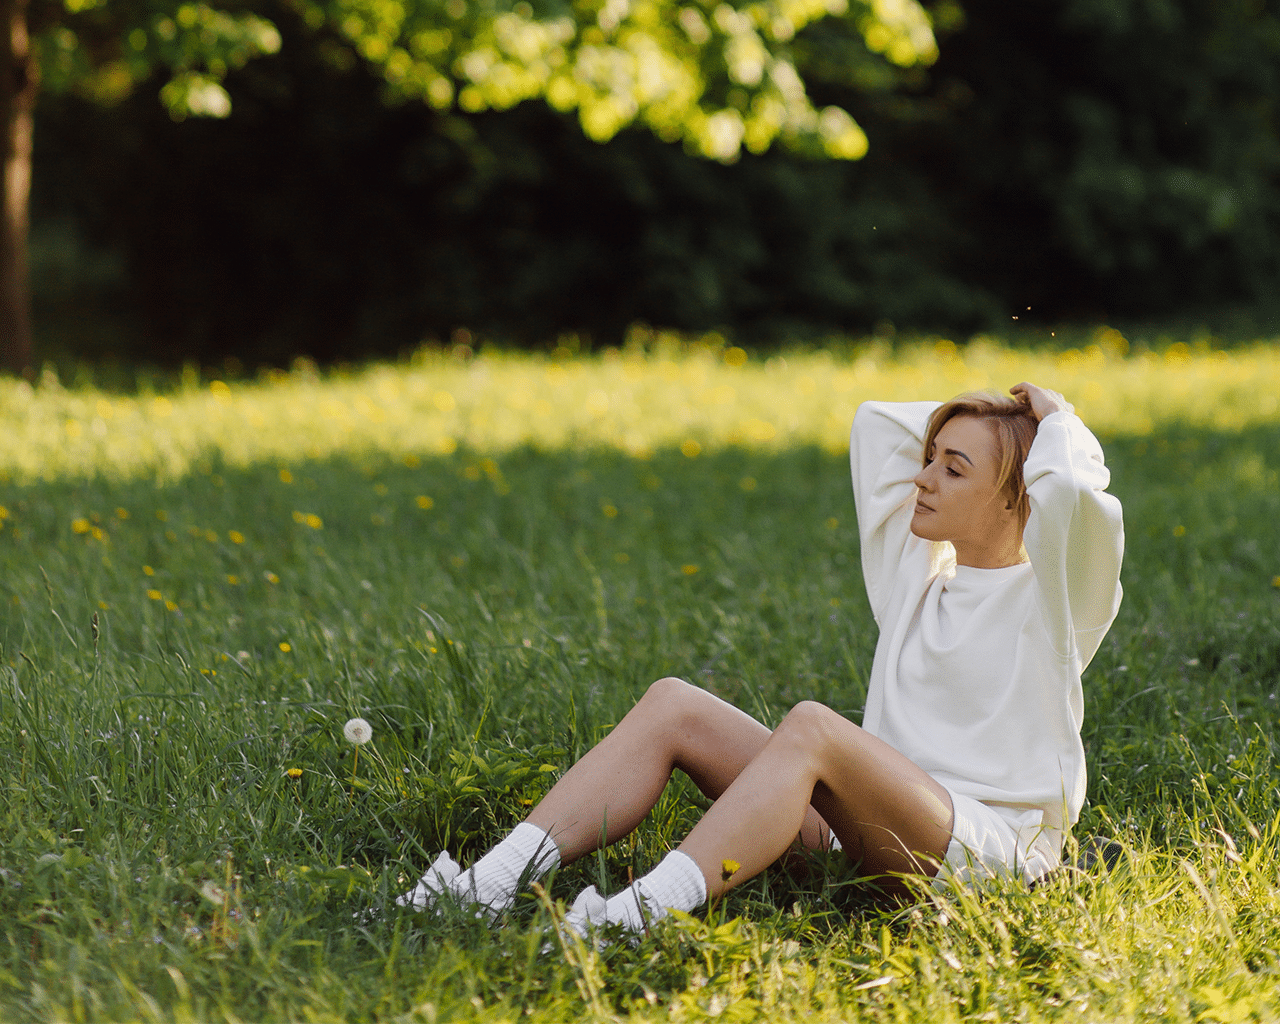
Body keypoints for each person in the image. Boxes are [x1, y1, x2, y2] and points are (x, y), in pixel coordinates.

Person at [396, 382, 1125, 936]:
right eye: (931, 459)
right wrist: (994, 418)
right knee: (676, 702)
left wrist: (1056, 421)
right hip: (869, 834)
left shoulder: (1056, 601)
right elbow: (877, 425)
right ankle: (487, 884)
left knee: (812, 726)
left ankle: (634, 918)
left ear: (1016, 499)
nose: (923, 477)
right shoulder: (920, 579)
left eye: (954, 470)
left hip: (985, 858)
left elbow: (1083, 510)